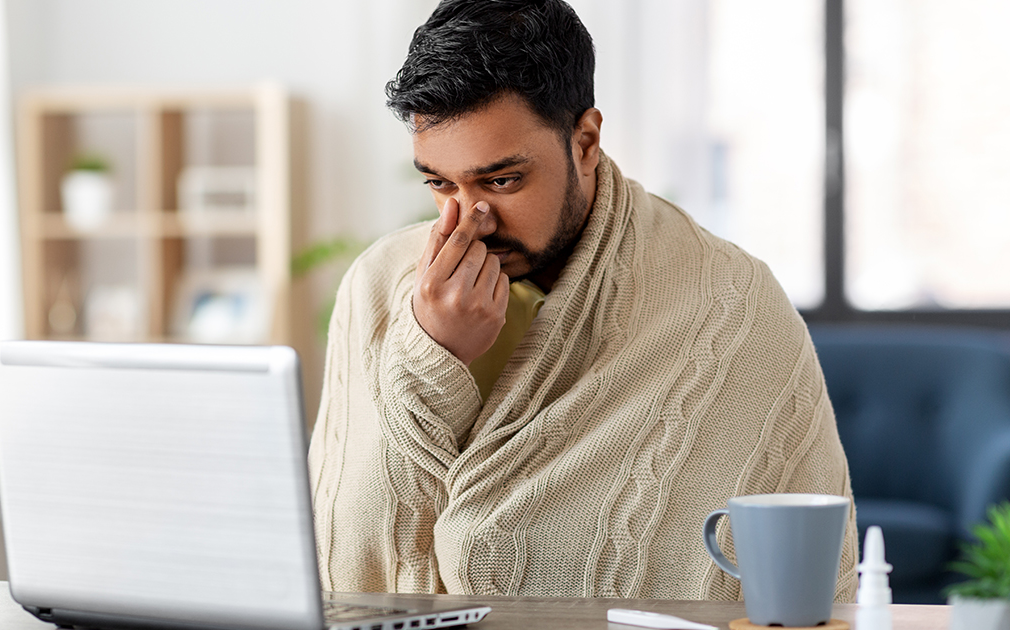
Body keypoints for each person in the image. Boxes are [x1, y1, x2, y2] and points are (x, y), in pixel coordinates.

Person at [307, 0, 857, 600]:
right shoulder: (378, 286)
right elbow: (347, 537)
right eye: (440, 183)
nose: (469, 219)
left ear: (586, 141)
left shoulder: (732, 304)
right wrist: (431, 355)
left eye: (502, 181)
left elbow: (806, 581)